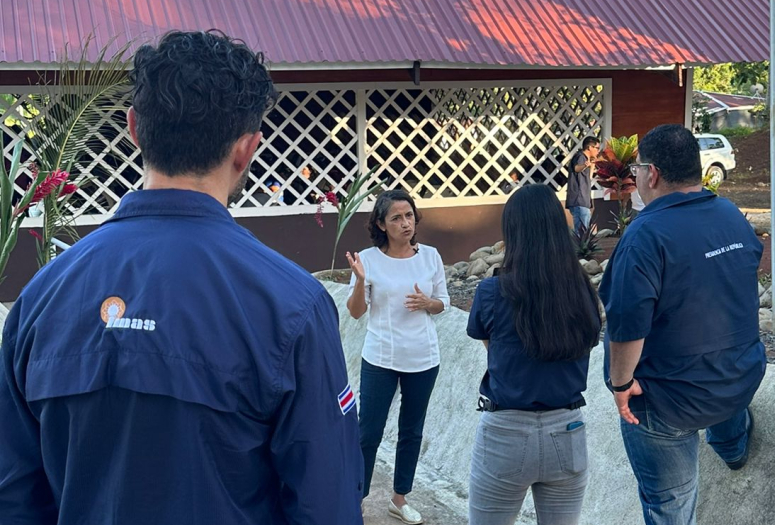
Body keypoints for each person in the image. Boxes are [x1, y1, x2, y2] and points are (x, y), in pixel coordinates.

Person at [0, 30, 364, 525]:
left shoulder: (39, 299)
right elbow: (327, 505)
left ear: (133, 129)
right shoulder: (293, 306)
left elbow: (15, 497)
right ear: (248, 148)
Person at [599, 124, 765, 525]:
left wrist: (621, 386)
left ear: (651, 173)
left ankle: (725, 447)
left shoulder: (645, 234)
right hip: (741, 376)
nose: (635, 176)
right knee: (726, 406)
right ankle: (732, 448)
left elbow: (626, 326)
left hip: (670, 402)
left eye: (637, 168)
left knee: (669, 506)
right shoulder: (730, 213)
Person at [467, 184, 601, 525]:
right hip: (567, 430)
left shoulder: (492, 291)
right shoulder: (582, 290)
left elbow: (491, 349)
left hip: (505, 432)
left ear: (512, 232)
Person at [346, 189, 449, 525]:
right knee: (368, 432)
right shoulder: (368, 260)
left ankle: (399, 499)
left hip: (423, 357)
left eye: (409, 215)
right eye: (396, 218)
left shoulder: (431, 256)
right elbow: (357, 312)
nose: (405, 223)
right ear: (381, 223)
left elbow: (442, 303)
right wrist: (361, 282)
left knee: (412, 430)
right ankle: (355, 500)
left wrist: (428, 304)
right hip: (380, 357)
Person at [565, 137, 600, 230]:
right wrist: (585, 165)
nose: (598, 151)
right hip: (579, 199)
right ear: (589, 147)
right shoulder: (580, 156)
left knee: (584, 230)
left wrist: (592, 163)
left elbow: (589, 177)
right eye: (597, 148)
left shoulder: (586, 159)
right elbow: (577, 168)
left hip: (583, 200)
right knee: (582, 231)